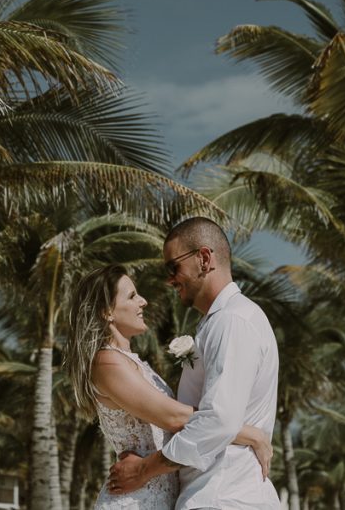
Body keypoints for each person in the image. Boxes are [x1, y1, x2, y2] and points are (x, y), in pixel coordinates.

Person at [66, 263, 273, 509]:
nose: (143, 301)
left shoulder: (131, 362)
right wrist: (252, 435)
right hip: (135, 499)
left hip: (158, 497)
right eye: (132, 296)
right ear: (106, 312)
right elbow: (173, 417)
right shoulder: (106, 362)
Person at [107, 217, 280, 509]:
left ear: (204, 259)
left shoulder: (232, 321)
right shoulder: (219, 322)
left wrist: (144, 469)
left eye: (173, 267)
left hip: (223, 494)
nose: (169, 279)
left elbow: (219, 420)